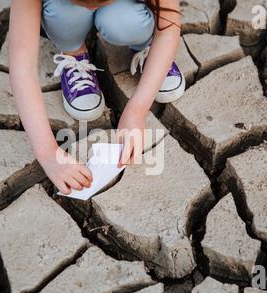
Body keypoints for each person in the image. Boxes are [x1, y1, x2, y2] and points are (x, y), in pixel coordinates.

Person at [9, 0, 183, 195]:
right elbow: (22, 68)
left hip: (127, 10)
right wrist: (48, 153)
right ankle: (73, 51)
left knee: (124, 22)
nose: (92, 7)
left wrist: (137, 110)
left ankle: (147, 44)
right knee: (64, 14)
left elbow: (168, 30)